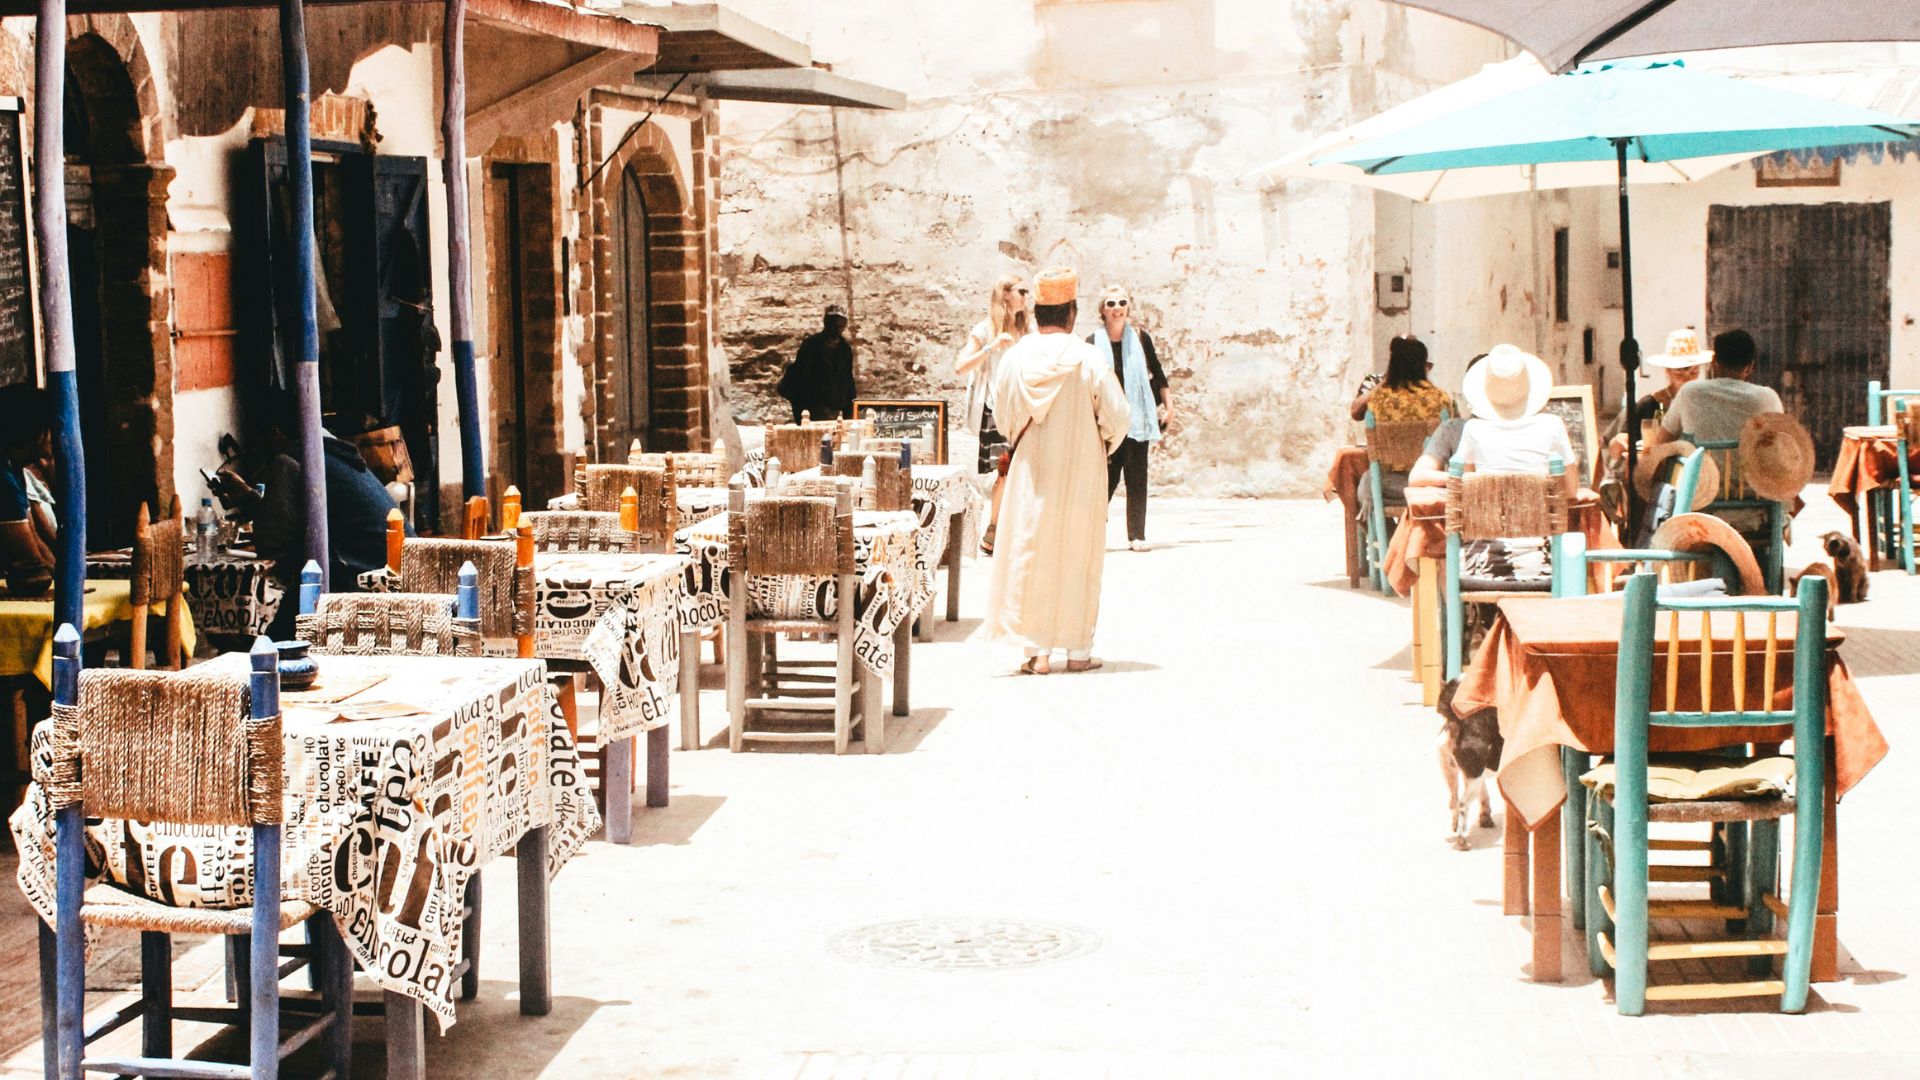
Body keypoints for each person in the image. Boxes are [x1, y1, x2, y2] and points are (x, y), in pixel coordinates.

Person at [984, 267, 1129, 675]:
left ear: (1037, 313)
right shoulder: (1089, 358)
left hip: (1031, 474)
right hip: (1082, 474)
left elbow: (1003, 418)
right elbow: (1118, 418)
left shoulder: (1015, 358)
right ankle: (1078, 651)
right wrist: (1097, 445)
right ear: (1072, 313)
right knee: (1078, 556)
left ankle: (1037, 653)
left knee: (1031, 554)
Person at [216, 427, 404, 638]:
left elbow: (271, 542)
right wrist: (249, 497)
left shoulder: (292, 460)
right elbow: (302, 517)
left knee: (276, 635)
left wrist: (250, 502)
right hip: (388, 577)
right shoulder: (333, 456)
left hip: (362, 585)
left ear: (276, 432)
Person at [1452, 345, 1577, 586]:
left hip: (1483, 563)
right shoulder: (1553, 425)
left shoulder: (1473, 429)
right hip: (1543, 560)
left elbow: (1466, 495)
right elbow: (1571, 491)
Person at [1646, 327, 1782, 533]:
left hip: (1700, 505)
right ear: (1750, 367)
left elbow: (1660, 445)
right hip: (1755, 507)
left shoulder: (1690, 393)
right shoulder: (1767, 397)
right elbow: (1779, 446)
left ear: (1715, 364)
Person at [1087, 286, 1171, 551]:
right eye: (1111, 303)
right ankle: (1090, 534)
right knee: (1105, 481)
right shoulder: (1092, 342)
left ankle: (1137, 535)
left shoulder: (1140, 339)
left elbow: (1157, 373)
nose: (1117, 308)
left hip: (1137, 419)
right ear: (1102, 310)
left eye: (1122, 302)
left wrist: (1169, 407)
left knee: (1137, 478)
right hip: (1108, 422)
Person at [956, 274, 1029, 554]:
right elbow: (961, 366)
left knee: (1024, 471)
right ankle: (994, 529)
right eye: (1021, 291)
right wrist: (990, 347)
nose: (1026, 297)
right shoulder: (985, 330)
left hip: (1024, 412)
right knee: (1004, 472)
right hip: (996, 412)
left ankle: (1008, 530)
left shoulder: (1028, 331)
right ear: (1006, 294)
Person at [1354, 335, 1450, 523]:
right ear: (1423, 364)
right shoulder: (1440, 397)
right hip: (1430, 486)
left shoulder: (1379, 397)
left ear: (1393, 364)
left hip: (1389, 487)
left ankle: (1386, 536)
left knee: (1367, 483)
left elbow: (1356, 412)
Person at [0, 385, 55, 572]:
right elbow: (30, 560)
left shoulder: (13, 468)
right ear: (41, 433)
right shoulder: (4, 480)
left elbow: (37, 541)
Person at [777, 303, 856, 423]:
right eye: (834, 325)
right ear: (827, 324)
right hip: (813, 406)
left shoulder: (844, 349)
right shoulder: (811, 346)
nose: (837, 329)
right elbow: (802, 379)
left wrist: (849, 409)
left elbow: (847, 379)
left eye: (841, 326)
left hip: (834, 406)